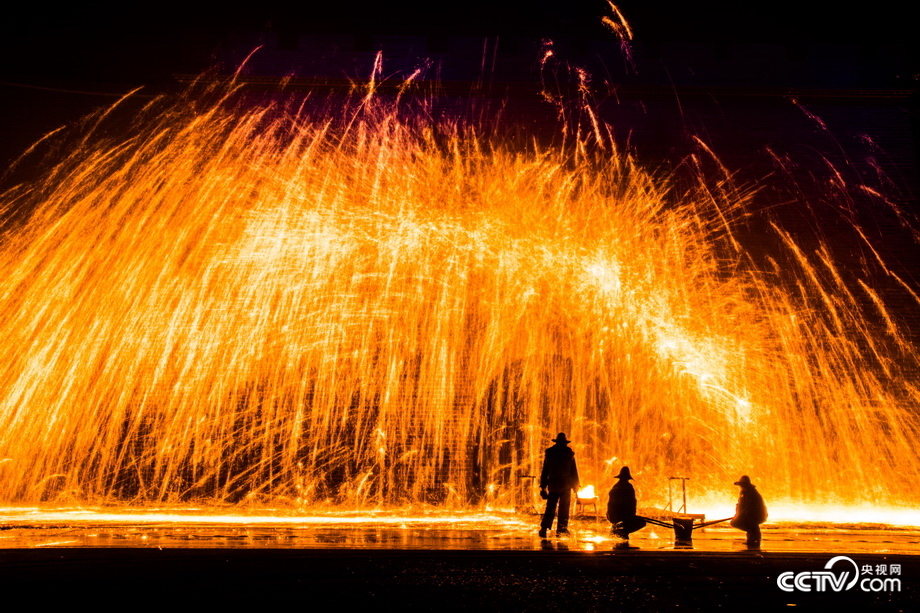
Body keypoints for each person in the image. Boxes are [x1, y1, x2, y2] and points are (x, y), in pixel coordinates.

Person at [538, 432, 580, 537]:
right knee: (564, 509)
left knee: (550, 507)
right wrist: (576, 486)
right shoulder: (569, 453)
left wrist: (543, 486)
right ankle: (561, 529)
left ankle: (544, 528)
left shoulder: (550, 453)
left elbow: (545, 471)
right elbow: (573, 471)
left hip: (554, 484)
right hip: (565, 485)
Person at [606, 466, 647, 541]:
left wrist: (610, 515)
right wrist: (632, 515)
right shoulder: (628, 487)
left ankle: (618, 529)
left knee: (622, 523)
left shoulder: (615, 487)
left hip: (613, 516)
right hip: (623, 516)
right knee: (642, 522)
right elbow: (632, 503)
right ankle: (622, 531)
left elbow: (610, 504)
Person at [730, 475, 768, 545]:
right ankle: (753, 536)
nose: (741, 487)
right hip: (752, 515)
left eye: (742, 485)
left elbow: (749, 507)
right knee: (743, 524)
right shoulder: (747, 492)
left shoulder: (750, 493)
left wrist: (740, 515)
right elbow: (742, 505)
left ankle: (753, 535)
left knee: (735, 523)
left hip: (755, 515)